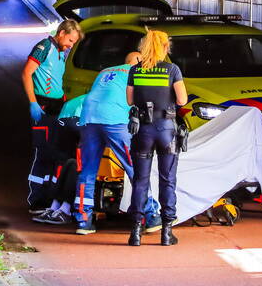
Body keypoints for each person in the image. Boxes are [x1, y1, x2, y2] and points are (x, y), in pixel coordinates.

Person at [73, 52, 159, 235]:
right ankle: (151, 214)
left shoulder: (104, 71)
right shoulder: (137, 72)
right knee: (135, 168)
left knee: (87, 171)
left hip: (88, 118)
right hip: (115, 121)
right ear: (138, 61)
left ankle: (83, 220)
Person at [127, 30, 188, 246]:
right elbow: (182, 100)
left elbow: (129, 100)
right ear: (164, 47)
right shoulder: (172, 70)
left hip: (142, 130)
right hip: (166, 130)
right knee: (167, 180)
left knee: (140, 181)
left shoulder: (135, 70)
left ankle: (135, 232)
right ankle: (167, 232)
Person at [22, 20, 83, 210]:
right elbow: (26, 73)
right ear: (62, 33)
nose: (71, 45)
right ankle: (36, 200)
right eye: (70, 40)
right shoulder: (44, 47)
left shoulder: (60, 53)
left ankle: (49, 197)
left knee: (56, 153)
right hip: (43, 106)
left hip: (57, 106)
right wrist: (33, 102)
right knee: (42, 152)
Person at [32, 94, 86, 225]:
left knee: (70, 162)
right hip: (84, 119)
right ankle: (63, 209)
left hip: (66, 115)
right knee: (77, 165)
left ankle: (56, 207)